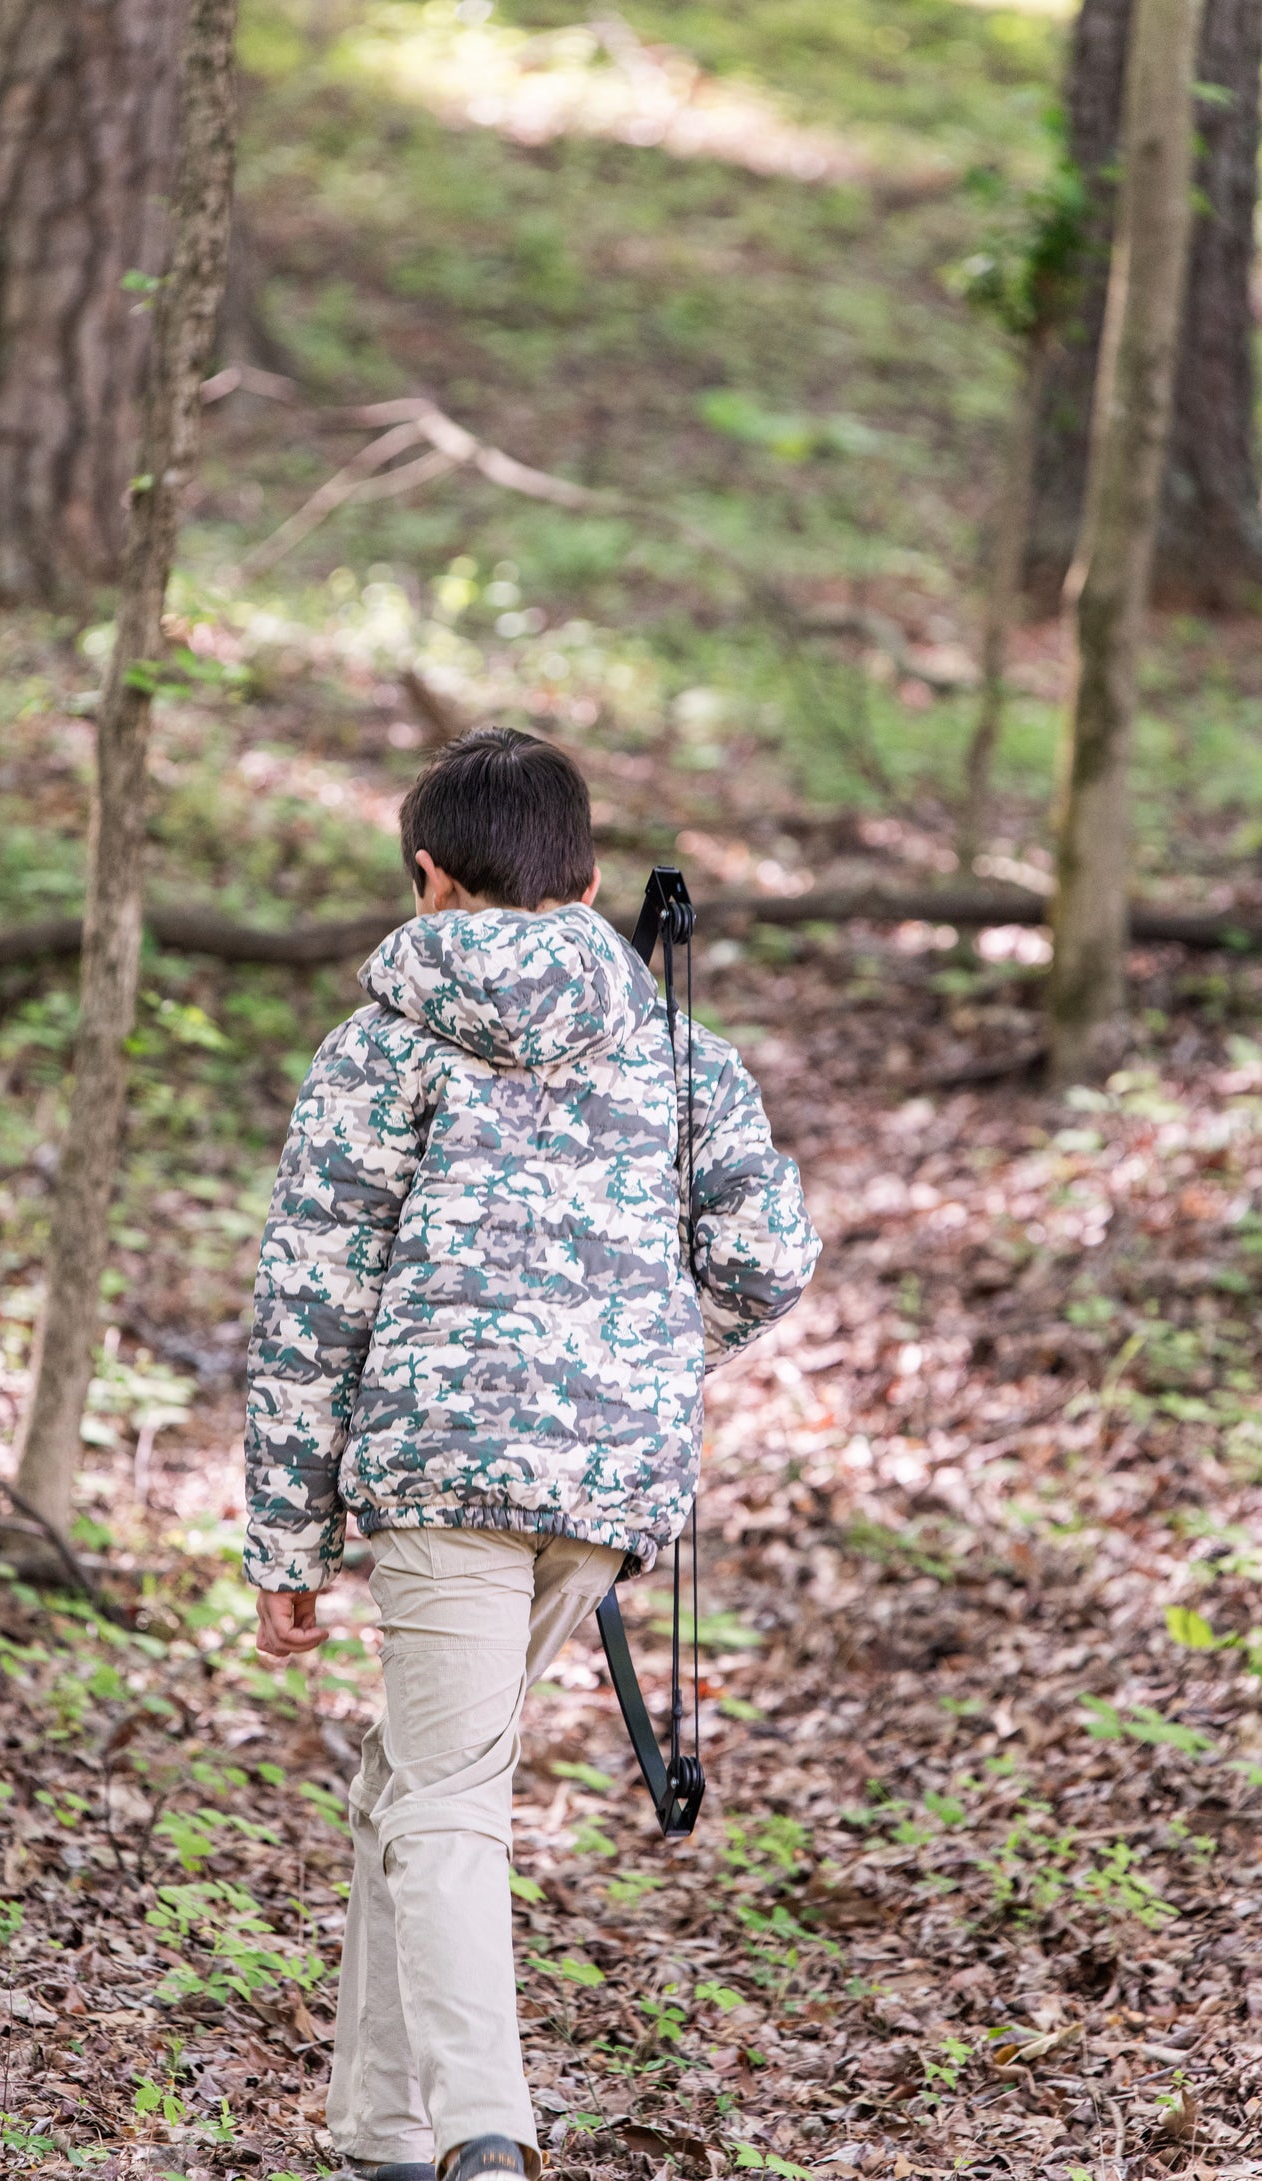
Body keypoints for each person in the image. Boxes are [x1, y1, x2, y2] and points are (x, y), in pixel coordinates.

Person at [244, 727, 820, 2181]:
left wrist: (285, 1543)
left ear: (429, 875)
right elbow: (767, 1260)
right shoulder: (675, 1042)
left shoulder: (379, 1046)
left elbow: (312, 1304)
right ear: (581, 874)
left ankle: (484, 2138)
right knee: (412, 1775)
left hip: (443, 1477)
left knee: (441, 1792)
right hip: (606, 1481)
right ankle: (379, 2133)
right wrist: (628, 1354)